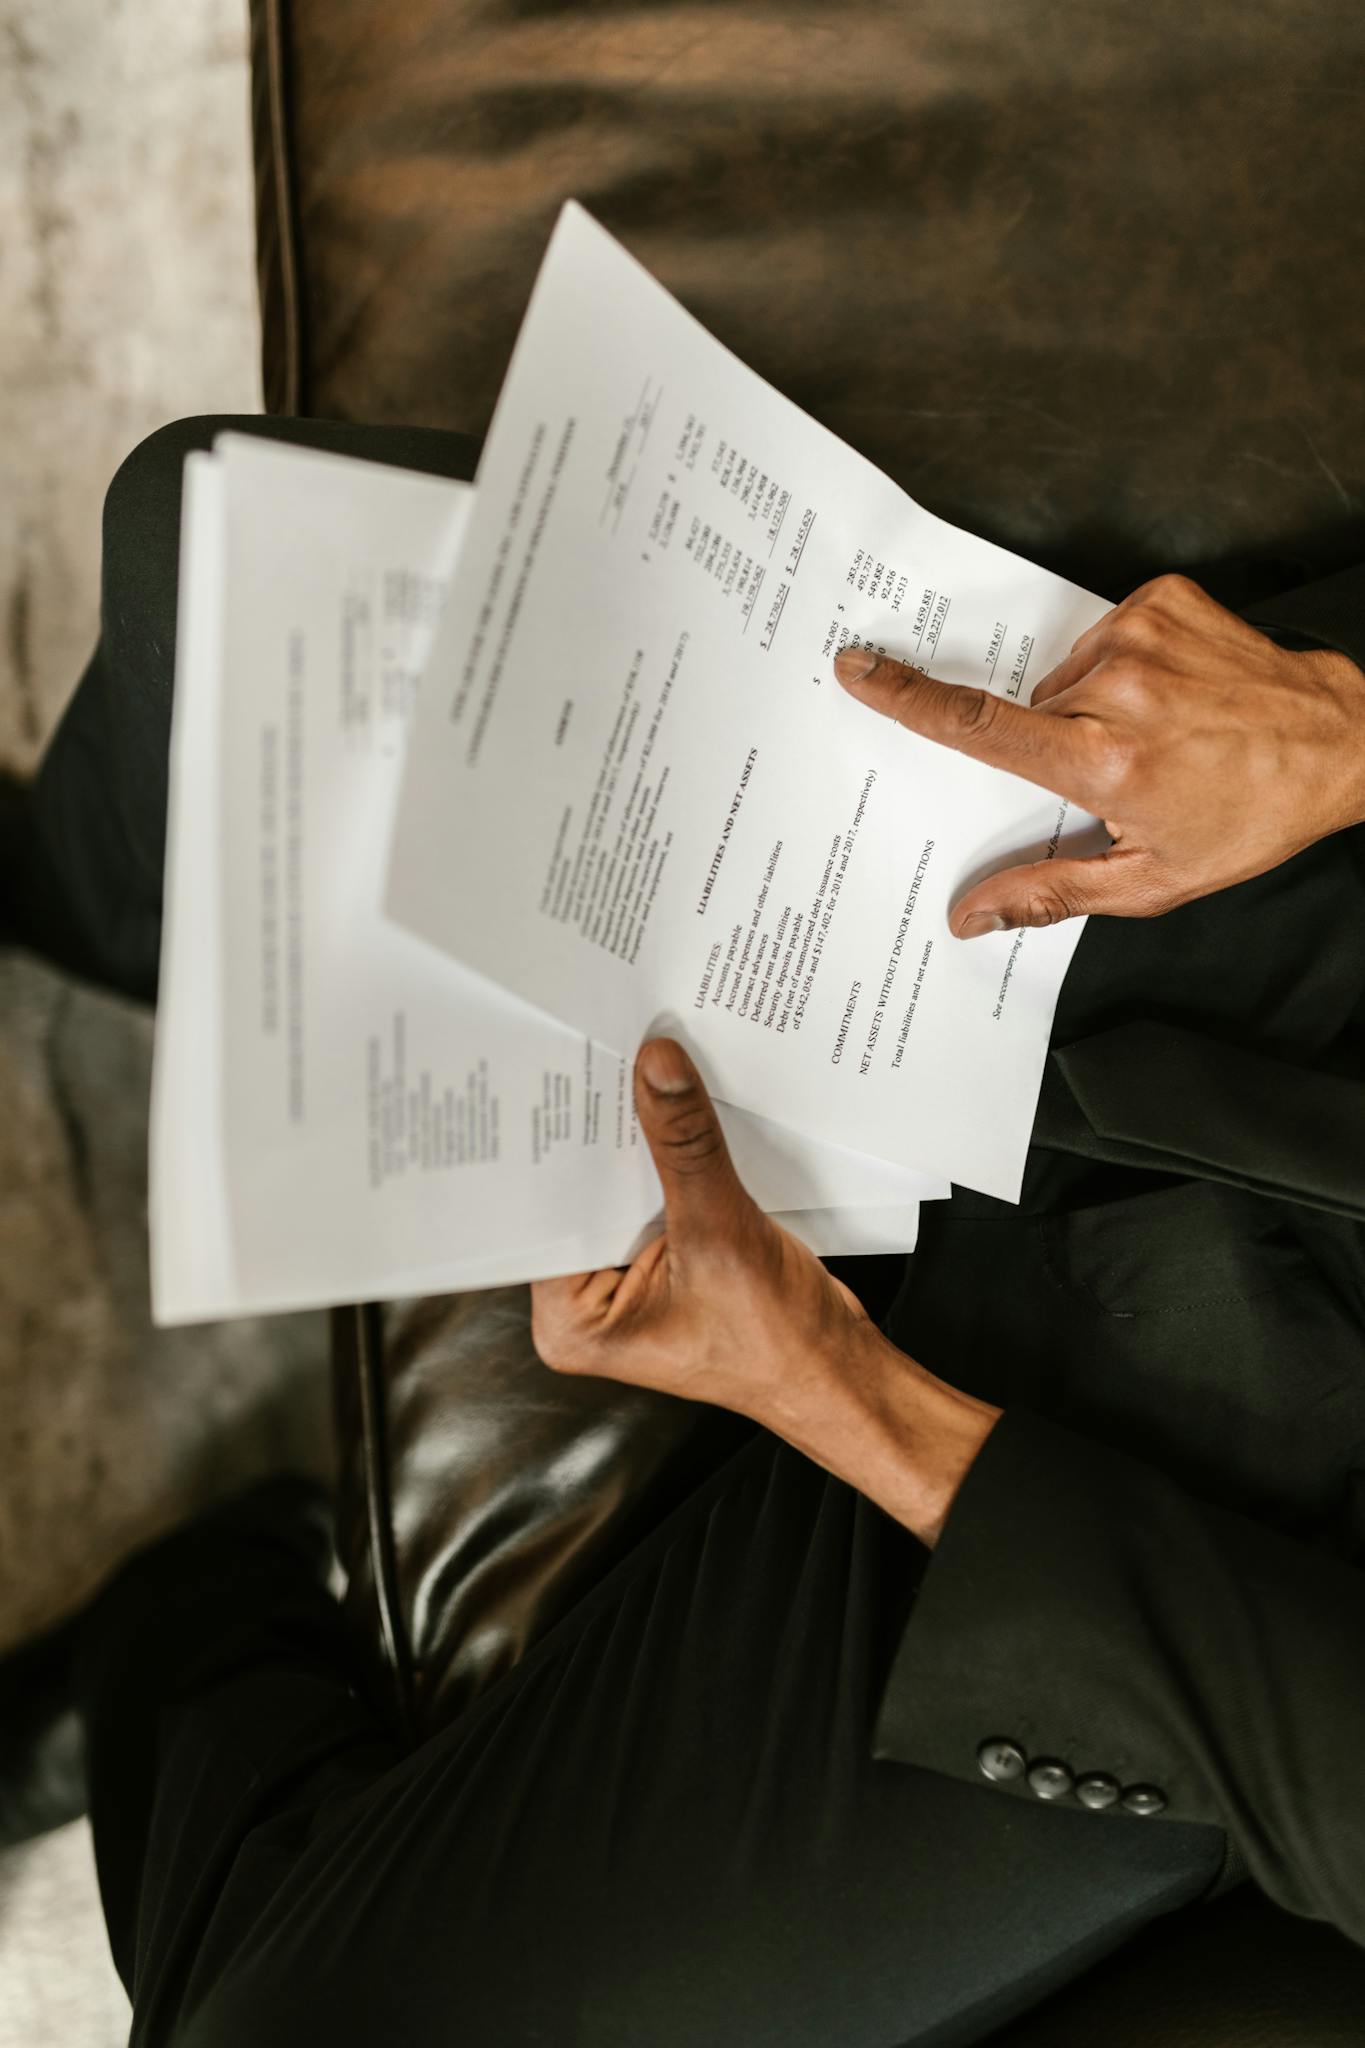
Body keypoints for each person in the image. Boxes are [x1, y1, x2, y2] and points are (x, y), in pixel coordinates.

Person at [7, 414, 1365, 2047]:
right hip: (1300, 943)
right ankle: (102, 916)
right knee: (218, 554)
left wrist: (842, 1395)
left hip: (1223, 1605)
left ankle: (193, 1611)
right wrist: (1343, 731)